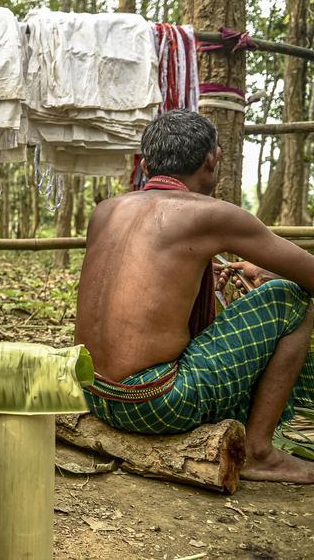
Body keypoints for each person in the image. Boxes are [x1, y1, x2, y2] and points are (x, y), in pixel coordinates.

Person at [76, 109, 314, 484]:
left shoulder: (106, 210)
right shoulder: (212, 214)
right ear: (210, 160)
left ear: (150, 160)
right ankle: (259, 452)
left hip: (93, 391)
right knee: (288, 298)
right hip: (154, 401)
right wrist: (269, 274)